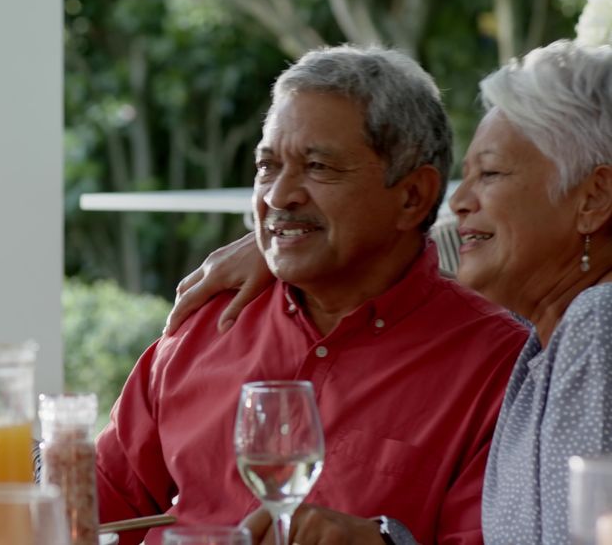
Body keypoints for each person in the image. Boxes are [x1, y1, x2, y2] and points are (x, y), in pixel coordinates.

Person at [166, 40, 612, 544]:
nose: (459, 202)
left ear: (594, 198)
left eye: (489, 174)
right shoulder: (544, 342)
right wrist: (288, 241)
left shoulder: (595, 327)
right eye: (268, 167)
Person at [94, 45, 528, 545]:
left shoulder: (497, 368)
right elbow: (95, 509)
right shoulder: (209, 322)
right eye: (267, 166)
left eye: (318, 166)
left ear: (412, 197)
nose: (278, 196)